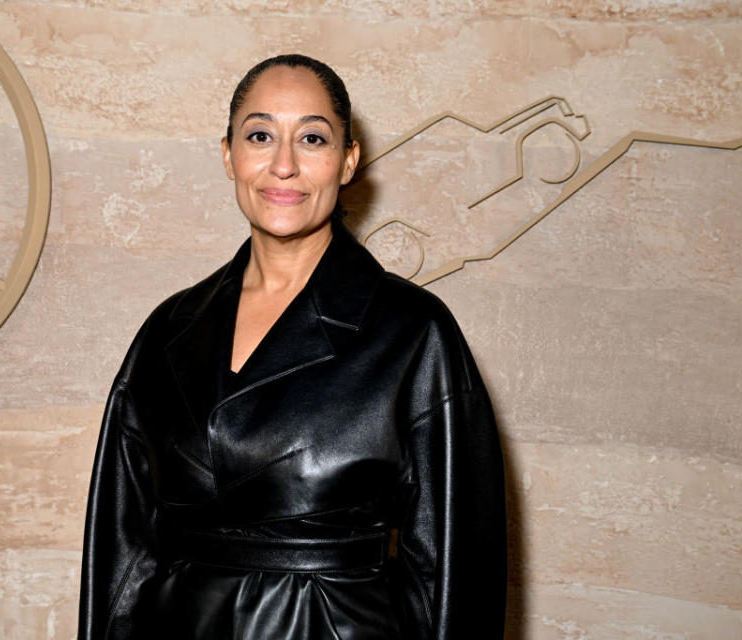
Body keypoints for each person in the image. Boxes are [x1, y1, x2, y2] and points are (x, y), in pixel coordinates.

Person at [79, 54, 507, 639]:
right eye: (260, 136)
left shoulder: (413, 333)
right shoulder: (167, 329)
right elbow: (122, 551)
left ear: (348, 160)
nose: (283, 165)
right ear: (229, 154)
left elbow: (458, 571)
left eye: (311, 138)